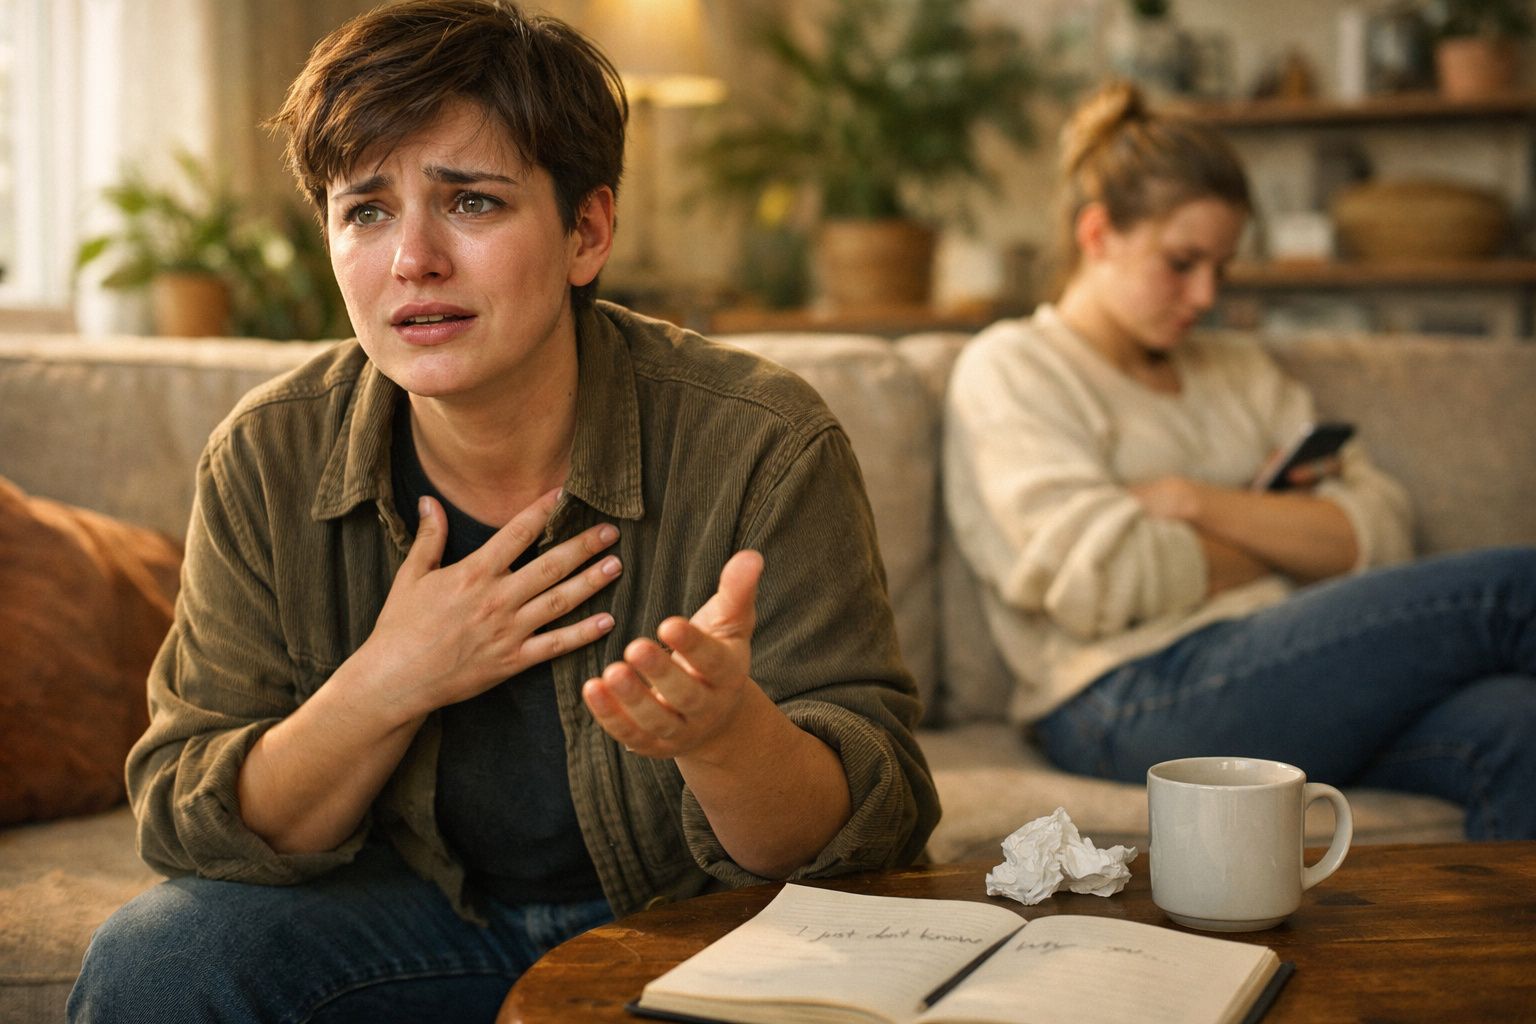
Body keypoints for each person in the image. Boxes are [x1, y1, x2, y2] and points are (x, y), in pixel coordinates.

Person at [69, 2, 939, 1020]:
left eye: (471, 203)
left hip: (698, 926)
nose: (413, 260)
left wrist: (724, 734)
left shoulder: (760, 441)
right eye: (366, 210)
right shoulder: (268, 456)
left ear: (587, 230)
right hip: (412, 925)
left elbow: (873, 830)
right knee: (158, 962)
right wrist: (389, 681)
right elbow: (189, 818)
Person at [944, 79, 1536, 842]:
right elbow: (1105, 578)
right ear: (1098, 236)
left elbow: (1380, 527)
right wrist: (1294, 536)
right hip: (1124, 697)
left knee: (1520, 727)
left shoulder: (1238, 369)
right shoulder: (1015, 367)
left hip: (1281, 668)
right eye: (1182, 262)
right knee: (1514, 589)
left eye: (1221, 269)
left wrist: (1197, 502)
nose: (1205, 295)